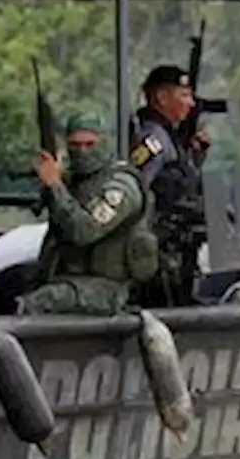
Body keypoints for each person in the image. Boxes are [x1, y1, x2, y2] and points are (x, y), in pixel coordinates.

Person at [18, 113, 158, 316]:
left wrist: (55, 186)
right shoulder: (74, 180)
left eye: (90, 144)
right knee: (3, 285)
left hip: (108, 288)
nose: (82, 151)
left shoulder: (120, 187)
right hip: (65, 276)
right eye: (75, 145)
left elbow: (84, 231)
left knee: (41, 302)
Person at [130, 65, 208, 306]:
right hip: (160, 253)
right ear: (162, 98)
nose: (191, 103)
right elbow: (139, 187)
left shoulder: (170, 138)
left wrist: (194, 156)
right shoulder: (153, 140)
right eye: (184, 95)